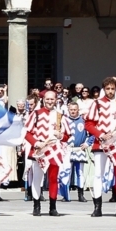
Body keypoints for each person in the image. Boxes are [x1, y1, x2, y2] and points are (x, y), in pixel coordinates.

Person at [84, 77, 116, 218]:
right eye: (108, 89)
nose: (110, 91)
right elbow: (88, 124)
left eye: (112, 88)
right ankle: (97, 207)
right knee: (98, 174)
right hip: (101, 143)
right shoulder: (96, 104)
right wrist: (101, 134)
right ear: (104, 89)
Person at [23, 88, 71, 216]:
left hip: (54, 151)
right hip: (39, 150)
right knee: (37, 179)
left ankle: (53, 207)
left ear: (56, 100)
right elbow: (26, 133)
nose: (50, 101)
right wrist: (36, 143)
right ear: (44, 100)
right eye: (47, 99)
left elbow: (67, 136)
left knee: (53, 179)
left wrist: (61, 136)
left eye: (52, 99)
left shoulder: (60, 116)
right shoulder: (36, 114)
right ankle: (36, 206)